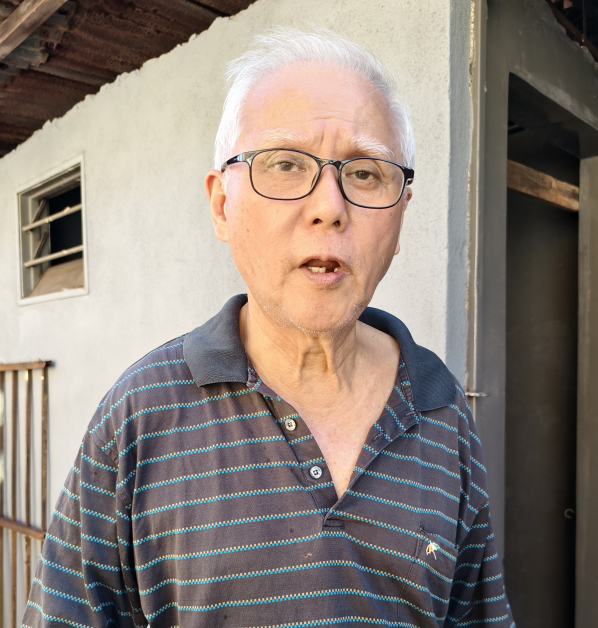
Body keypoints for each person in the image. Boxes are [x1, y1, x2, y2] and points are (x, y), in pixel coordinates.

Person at [23, 27, 514, 628]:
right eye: (285, 164)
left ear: (401, 215)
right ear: (222, 205)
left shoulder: (443, 412)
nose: (330, 207)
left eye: (365, 173)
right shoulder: (138, 417)